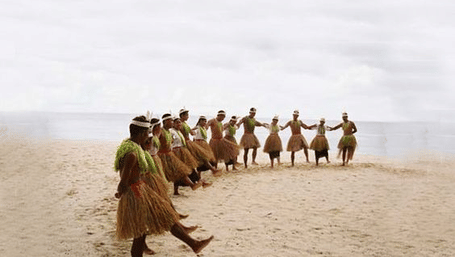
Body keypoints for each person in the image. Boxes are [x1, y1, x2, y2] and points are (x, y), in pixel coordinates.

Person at [114, 115, 213, 256]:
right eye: (146, 133)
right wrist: (120, 192)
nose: (148, 136)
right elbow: (124, 180)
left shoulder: (131, 147)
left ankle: (193, 244)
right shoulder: (132, 154)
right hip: (136, 193)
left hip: (139, 190)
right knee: (145, 230)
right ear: (141, 133)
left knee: (157, 223)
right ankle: (194, 244)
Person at [158, 113, 202, 192]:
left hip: (170, 154)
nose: (172, 122)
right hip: (163, 156)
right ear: (166, 121)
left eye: (172, 121)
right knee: (167, 174)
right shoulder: (161, 131)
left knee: (180, 171)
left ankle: (192, 185)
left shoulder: (168, 131)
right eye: (171, 121)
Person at [179, 109, 220, 179]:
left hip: (189, 143)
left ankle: (211, 170)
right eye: (187, 115)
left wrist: (192, 132)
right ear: (182, 116)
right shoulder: (180, 124)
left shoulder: (185, 124)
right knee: (199, 158)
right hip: (185, 144)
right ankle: (211, 170)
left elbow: (190, 131)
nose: (188, 117)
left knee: (201, 158)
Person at [171, 116, 203, 195]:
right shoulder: (172, 132)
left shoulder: (178, 132)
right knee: (179, 171)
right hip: (176, 153)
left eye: (179, 122)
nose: (179, 124)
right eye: (177, 122)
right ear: (173, 124)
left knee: (187, 169)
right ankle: (178, 189)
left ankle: (194, 183)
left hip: (181, 152)